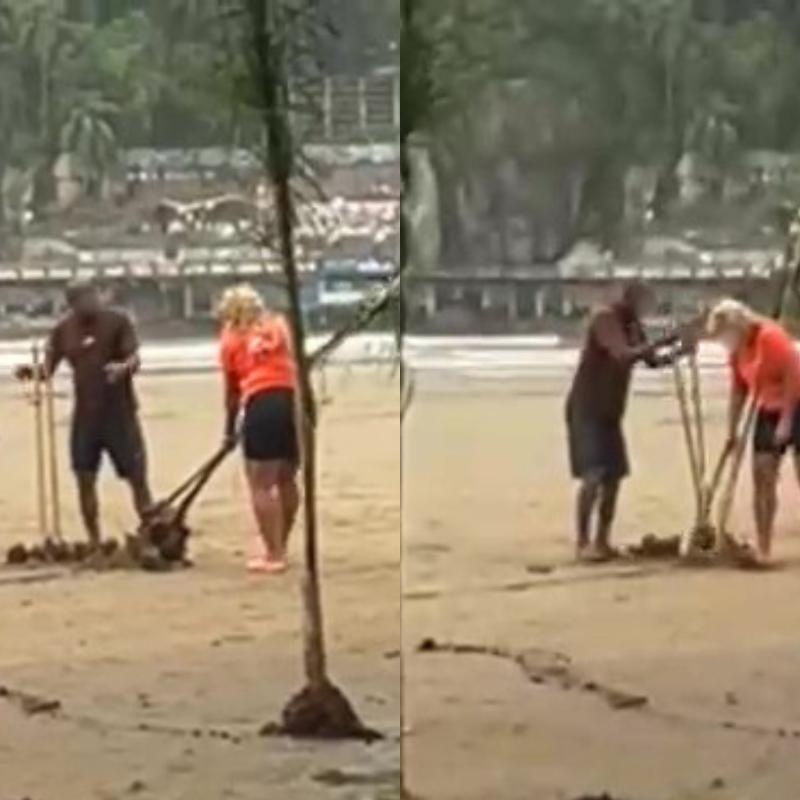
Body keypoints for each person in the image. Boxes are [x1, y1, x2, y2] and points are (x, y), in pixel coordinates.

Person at [16, 280, 153, 547]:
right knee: (84, 477)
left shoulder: (117, 321)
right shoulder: (63, 331)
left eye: (93, 295)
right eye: (81, 299)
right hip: (86, 417)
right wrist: (30, 373)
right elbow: (47, 370)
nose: (90, 302)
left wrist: (122, 368)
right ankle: (94, 540)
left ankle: (150, 530)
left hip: (120, 413)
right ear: (72, 304)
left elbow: (134, 358)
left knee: (137, 477)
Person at [565, 283, 682, 562]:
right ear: (629, 298)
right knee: (592, 476)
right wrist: (666, 339)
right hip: (588, 407)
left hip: (611, 411)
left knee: (614, 478)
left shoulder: (632, 324)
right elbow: (623, 354)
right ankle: (583, 542)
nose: (646, 308)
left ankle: (602, 540)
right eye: (644, 301)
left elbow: (650, 360)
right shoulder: (605, 318)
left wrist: (679, 351)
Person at [707, 298, 800, 562]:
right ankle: (764, 547)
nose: (723, 342)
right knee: (762, 475)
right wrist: (731, 431)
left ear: (736, 325)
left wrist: (786, 421)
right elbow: (738, 390)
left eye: (724, 335)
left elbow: (794, 375)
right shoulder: (737, 350)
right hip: (767, 407)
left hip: (796, 402)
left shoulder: (770, 337)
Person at [218, 285, 299, 574]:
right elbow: (296, 364)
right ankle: (280, 545)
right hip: (292, 400)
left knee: (261, 483)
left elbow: (231, 392)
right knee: (287, 479)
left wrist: (229, 431)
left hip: (261, 402)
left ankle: (274, 554)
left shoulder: (230, 339)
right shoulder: (279, 326)